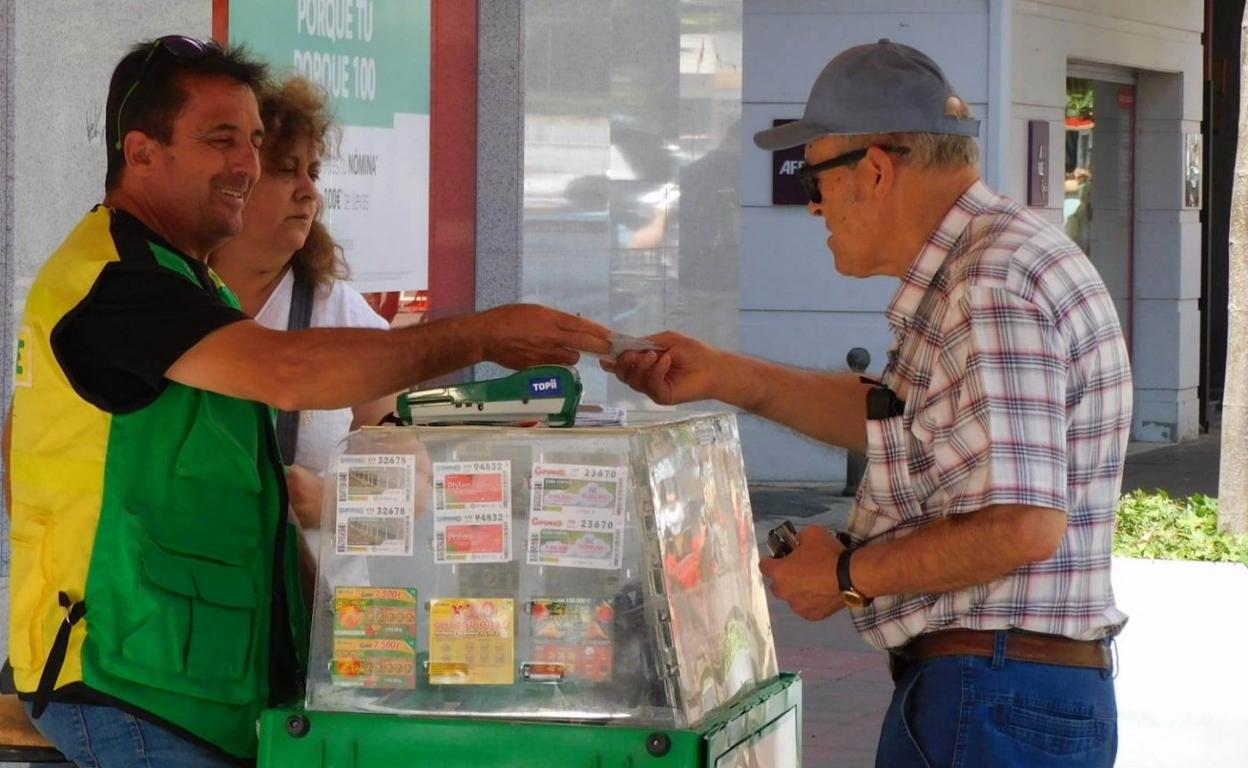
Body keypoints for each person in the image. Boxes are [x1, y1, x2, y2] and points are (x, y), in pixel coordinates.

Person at [6, 36, 609, 767]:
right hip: (128, 681)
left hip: (192, 679)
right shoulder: (116, 282)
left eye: (255, 143)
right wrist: (482, 335)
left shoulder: (193, 283)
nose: (246, 165)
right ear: (141, 153)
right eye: (220, 140)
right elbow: (291, 374)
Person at [606, 39, 1130, 767]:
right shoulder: (986, 265)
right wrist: (725, 375)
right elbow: (900, 421)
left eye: (811, 173)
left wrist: (848, 577)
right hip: (1000, 690)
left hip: (991, 693)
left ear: (876, 168)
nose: (812, 201)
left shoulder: (988, 283)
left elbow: (1021, 527)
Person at [208, 75, 390, 565]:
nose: (310, 193)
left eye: (314, 172)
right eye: (287, 171)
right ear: (237, 179)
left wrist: (328, 500)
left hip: (318, 619)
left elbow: (411, 478)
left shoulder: (342, 314)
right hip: (191, 613)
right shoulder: (168, 298)